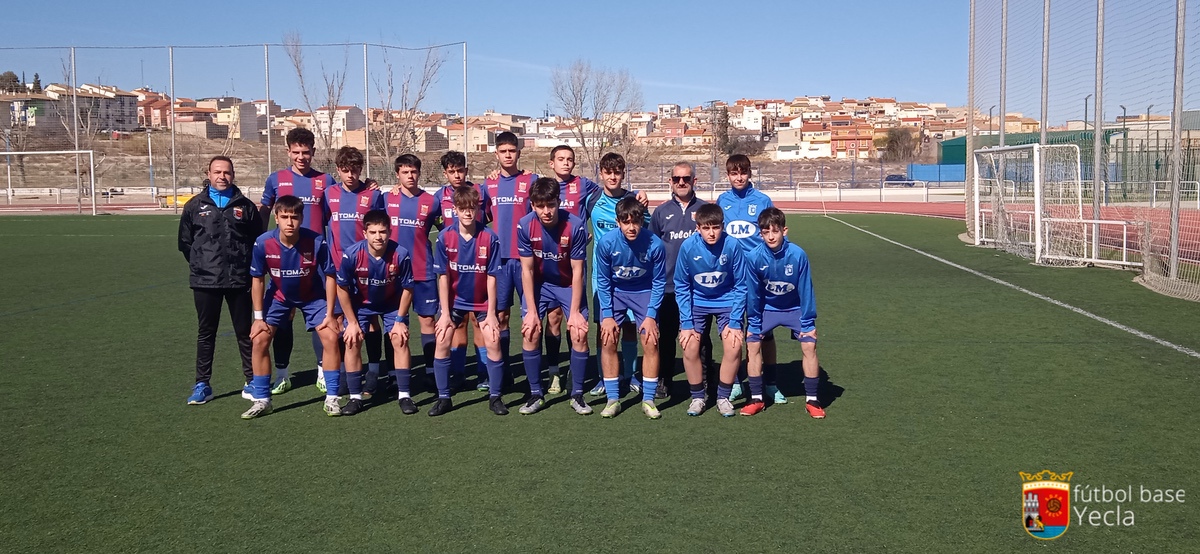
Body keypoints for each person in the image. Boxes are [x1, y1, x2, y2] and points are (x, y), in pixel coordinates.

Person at [245, 195, 343, 419]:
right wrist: (258, 318)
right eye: (285, 217)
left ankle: (332, 397)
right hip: (279, 296)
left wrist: (329, 314)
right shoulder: (263, 243)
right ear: (276, 218)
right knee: (259, 338)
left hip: (312, 296)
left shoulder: (317, 241)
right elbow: (258, 279)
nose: (290, 222)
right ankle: (262, 399)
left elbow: (330, 276)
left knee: (330, 336)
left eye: (295, 217)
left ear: (302, 218)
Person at [178, 156, 264, 404]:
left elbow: (256, 241)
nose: (222, 176)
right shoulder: (195, 206)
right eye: (217, 172)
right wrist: (201, 264)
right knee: (206, 333)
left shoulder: (245, 206)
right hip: (205, 281)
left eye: (226, 172)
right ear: (209, 173)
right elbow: (185, 243)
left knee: (245, 332)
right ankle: (202, 384)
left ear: (233, 174)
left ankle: (252, 381)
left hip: (239, 279)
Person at [259, 128, 337, 396]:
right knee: (284, 316)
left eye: (306, 152)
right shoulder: (276, 179)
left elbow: (336, 214)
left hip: (315, 259)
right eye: (296, 152)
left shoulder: (326, 180)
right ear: (288, 152)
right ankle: (282, 373)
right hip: (284, 260)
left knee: (321, 319)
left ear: (314, 152)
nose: (301, 157)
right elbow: (264, 213)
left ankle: (322, 372)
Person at [516, 177, 591, 415]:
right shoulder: (525, 225)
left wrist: (576, 312)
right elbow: (526, 270)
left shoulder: (576, 225)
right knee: (530, 331)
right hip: (540, 284)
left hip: (568, 284)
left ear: (559, 201)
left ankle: (577, 394)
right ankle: (536, 394)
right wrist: (529, 310)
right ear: (532, 205)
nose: (546, 211)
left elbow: (578, 270)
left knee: (579, 333)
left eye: (551, 204)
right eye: (540, 206)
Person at [429, 186, 505, 416]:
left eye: (472, 208)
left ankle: (495, 396)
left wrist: (491, 313)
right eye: (463, 209)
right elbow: (443, 277)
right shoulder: (444, 237)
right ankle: (444, 397)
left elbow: (492, 277)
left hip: (482, 302)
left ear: (478, 209)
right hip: (455, 302)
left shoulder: (490, 237)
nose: (468, 213)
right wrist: (443, 312)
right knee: (442, 340)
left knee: (492, 340)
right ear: (455, 211)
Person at [743, 208, 825, 418]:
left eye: (775, 231)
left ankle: (812, 400)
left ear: (784, 231)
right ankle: (757, 398)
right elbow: (753, 293)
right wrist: (753, 320)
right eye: (766, 232)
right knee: (752, 343)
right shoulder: (753, 257)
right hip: (767, 309)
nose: (771, 236)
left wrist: (808, 321)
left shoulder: (798, 254)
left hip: (794, 308)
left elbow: (806, 290)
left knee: (809, 344)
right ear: (760, 233)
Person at [336, 209, 415, 416]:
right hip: (360, 305)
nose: (378, 237)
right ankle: (355, 397)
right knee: (351, 340)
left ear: (390, 231)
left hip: (391, 304)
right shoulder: (352, 254)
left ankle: (404, 395)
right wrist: (351, 322)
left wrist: (399, 319)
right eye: (373, 232)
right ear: (365, 233)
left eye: (382, 232)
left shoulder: (401, 254)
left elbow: (408, 288)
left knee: (399, 338)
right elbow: (341, 288)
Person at [595, 196, 667, 418]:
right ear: (618, 222)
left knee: (650, 339)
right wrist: (607, 314)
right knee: (607, 338)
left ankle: (648, 400)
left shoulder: (655, 244)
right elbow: (604, 281)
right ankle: (613, 399)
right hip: (616, 292)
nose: (631, 227)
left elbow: (659, 281)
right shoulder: (606, 243)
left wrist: (651, 315)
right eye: (626, 222)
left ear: (641, 220)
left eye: (635, 221)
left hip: (643, 292)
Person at [715, 153, 780, 403]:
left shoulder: (762, 200)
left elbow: (772, 235)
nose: (739, 177)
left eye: (743, 172)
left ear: (750, 173)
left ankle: (771, 383)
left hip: (758, 274)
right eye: (734, 173)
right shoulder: (722, 200)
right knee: (733, 329)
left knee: (766, 330)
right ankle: (736, 382)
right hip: (731, 276)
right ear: (728, 175)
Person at [674, 203, 748, 417]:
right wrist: (686, 323)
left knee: (734, 345)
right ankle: (698, 397)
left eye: (715, 227)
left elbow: (741, 285)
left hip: (726, 302)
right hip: (697, 302)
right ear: (698, 228)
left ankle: (723, 397)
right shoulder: (688, 247)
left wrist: (735, 321)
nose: (711, 232)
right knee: (688, 346)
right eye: (706, 228)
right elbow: (682, 285)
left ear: (722, 226)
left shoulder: (733, 246)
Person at [648, 161, 714, 401]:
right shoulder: (661, 212)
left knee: (700, 338)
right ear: (670, 182)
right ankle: (664, 380)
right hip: (668, 288)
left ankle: (705, 382)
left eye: (686, 178)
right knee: (666, 338)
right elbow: (652, 247)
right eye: (677, 179)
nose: (681, 183)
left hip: (700, 290)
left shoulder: (706, 210)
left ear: (694, 181)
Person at [585, 152, 645, 396]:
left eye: (617, 172)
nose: (612, 176)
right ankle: (603, 377)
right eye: (608, 172)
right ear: (601, 173)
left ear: (623, 174)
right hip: (603, 276)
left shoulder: (634, 200)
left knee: (630, 326)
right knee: (605, 327)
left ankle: (630, 374)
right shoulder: (592, 199)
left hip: (631, 276)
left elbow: (646, 230)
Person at [483, 131, 539, 388]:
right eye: (503, 151)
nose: (508, 155)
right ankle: (503, 371)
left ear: (519, 153)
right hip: (499, 261)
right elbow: (478, 216)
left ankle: (534, 375)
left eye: (512, 151)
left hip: (527, 260)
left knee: (530, 316)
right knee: (501, 315)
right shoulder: (488, 184)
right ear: (496, 154)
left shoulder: (531, 180)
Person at [382, 154, 442, 395]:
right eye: (405, 172)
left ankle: (430, 372)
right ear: (397, 174)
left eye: (413, 172)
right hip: (393, 273)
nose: (409, 176)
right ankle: (394, 374)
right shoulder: (386, 199)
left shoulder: (431, 201)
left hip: (423, 269)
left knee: (428, 321)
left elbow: (445, 230)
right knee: (395, 323)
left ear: (419, 173)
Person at [432, 150, 490, 389]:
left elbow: (487, 221)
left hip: (477, 262)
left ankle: (483, 371)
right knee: (457, 322)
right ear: (445, 173)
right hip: (452, 266)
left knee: (479, 320)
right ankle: (457, 372)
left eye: (460, 170)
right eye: (451, 171)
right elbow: (433, 221)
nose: (457, 175)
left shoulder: (479, 192)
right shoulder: (439, 197)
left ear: (466, 170)